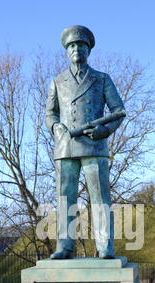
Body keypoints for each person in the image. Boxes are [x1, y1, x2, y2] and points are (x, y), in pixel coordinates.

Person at [45, 25, 125, 259]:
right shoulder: (57, 81)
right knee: (65, 198)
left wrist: (104, 130)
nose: (76, 49)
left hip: (94, 145)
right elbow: (50, 113)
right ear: (66, 51)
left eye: (80, 45)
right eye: (71, 46)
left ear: (88, 49)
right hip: (66, 145)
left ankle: (104, 246)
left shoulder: (101, 79)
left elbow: (119, 110)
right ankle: (65, 246)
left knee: (100, 198)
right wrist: (56, 127)